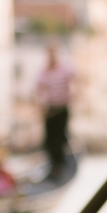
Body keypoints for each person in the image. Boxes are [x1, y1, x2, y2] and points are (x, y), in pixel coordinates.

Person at [33, 43, 74, 171]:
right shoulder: (44, 72)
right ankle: (53, 165)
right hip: (50, 110)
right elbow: (37, 90)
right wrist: (41, 107)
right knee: (50, 139)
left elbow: (75, 83)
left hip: (62, 108)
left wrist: (72, 95)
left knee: (60, 137)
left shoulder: (65, 69)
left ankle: (60, 164)